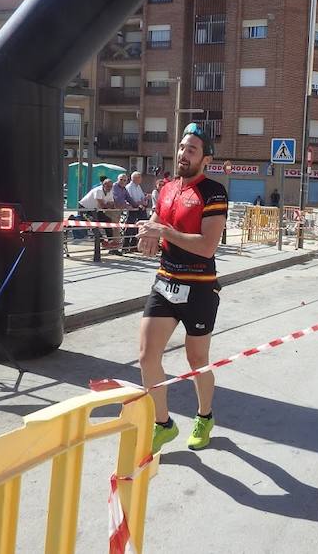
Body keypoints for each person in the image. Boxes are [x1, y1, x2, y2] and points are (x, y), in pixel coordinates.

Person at [135, 123, 228, 454]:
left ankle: (205, 416)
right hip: (165, 281)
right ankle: (163, 424)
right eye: (182, 147)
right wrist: (150, 233)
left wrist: (163, 230)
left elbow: (206, 246)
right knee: (147, 356)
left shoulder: (214, 192)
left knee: (197, 358)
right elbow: (158, 220)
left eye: (192, 150)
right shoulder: (166, 188)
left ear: (206, 159)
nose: (183, 154)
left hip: (200, 286)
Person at [79, 177, 117, 249]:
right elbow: (102, 205)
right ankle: (102, 241)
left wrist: (107, 205)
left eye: (111, 186)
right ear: (103, 185)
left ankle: (111, 240)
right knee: (93, 223)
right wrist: (107, 205)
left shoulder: (110, 191)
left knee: (108, 220)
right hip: (85, 209)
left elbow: (112, 204)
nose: (109, 188)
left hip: (96, 210)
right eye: (108, 186)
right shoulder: (98, 190)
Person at [124, 172, 148, 250]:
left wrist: (144, 202)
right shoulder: (129, 187)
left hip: (139, 209)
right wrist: (140, 203)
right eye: (139, 177)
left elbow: (141, 197)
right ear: (135, 178)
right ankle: (125, 246)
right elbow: (131, 199)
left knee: (139, 227)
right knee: (129, 228)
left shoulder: (138, 187)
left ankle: (134, 245)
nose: (141, 179)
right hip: (132, 210)